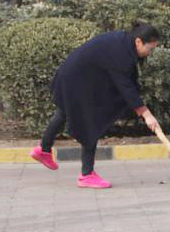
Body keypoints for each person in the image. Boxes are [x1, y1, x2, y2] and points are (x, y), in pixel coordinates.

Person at [30, 23, 161, 189]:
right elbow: (125, 86)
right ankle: (86, 175)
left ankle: (44, 149)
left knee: (64, 113)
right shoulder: (120, 52)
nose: (150, 53)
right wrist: (146, 114)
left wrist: (141, 108)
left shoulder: (124, 42)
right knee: (91, 123)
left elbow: (128, 80)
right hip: (76, 80)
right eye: (150, 48)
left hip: (73, 77)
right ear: (138, 42)